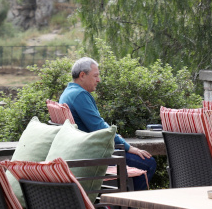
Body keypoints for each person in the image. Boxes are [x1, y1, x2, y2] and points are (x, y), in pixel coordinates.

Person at [59, 57, 156, 191]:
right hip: (92, 155)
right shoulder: (80, 95)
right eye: (95, 76)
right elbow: (100, 127)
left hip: (80, 152)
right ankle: (129, 204)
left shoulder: (67, 93)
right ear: (82, 75)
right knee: (148, 163)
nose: (98, 80)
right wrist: (128, 147)